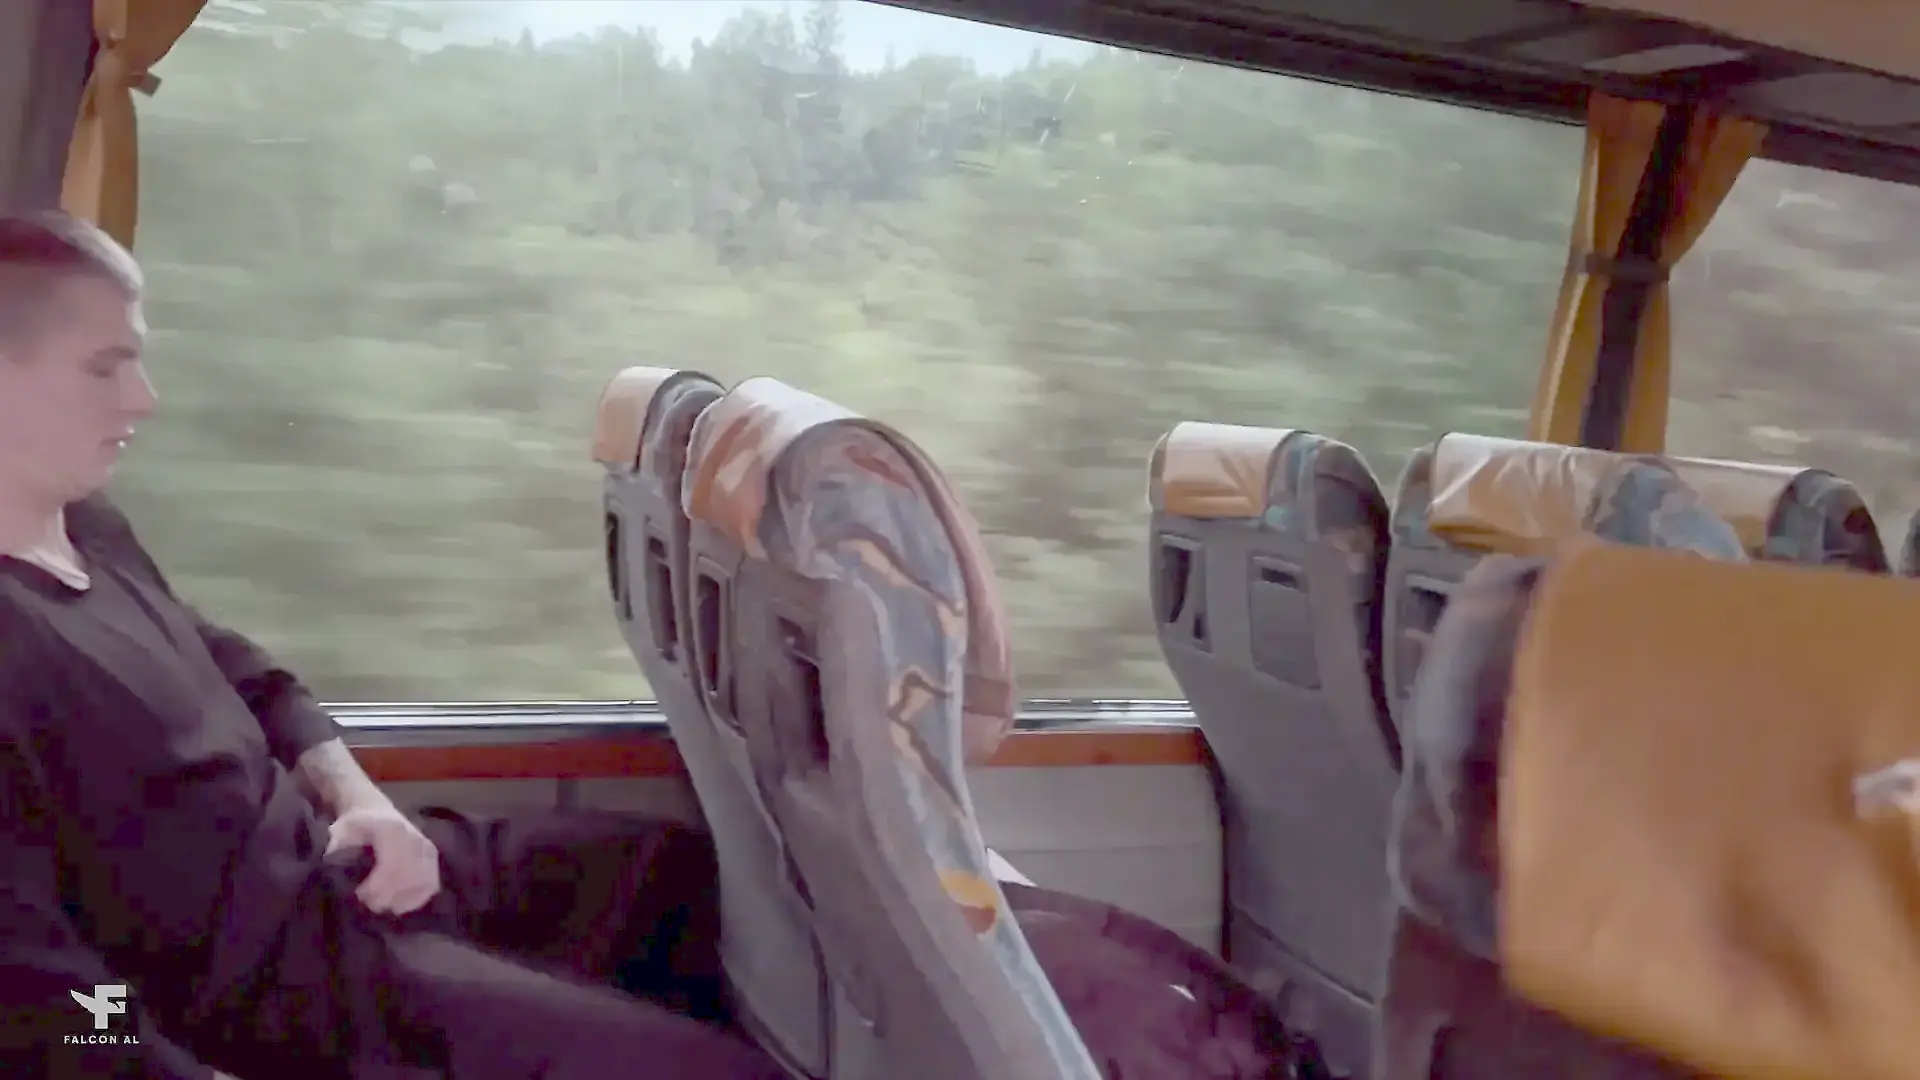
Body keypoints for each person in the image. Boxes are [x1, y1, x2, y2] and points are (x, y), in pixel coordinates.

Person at [0, 211, 788, 1080]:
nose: (143, 398)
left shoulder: (87, 527)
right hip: (293, 998)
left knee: (684, 880)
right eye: (104, 367)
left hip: (340, 871)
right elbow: (39, 991)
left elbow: (252, 683)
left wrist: (363, 802)